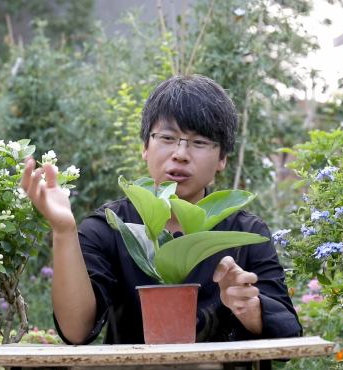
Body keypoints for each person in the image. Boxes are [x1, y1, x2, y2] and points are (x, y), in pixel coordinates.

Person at [20, 75, 301, 349]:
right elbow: (76, 331)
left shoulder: (245, 234)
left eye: (199, 142)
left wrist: (250, 309)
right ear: (145, 147)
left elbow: (288, 332)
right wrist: (63, 231)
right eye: (167, 137)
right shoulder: (111, 226)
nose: (180, 153)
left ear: (223, 158)